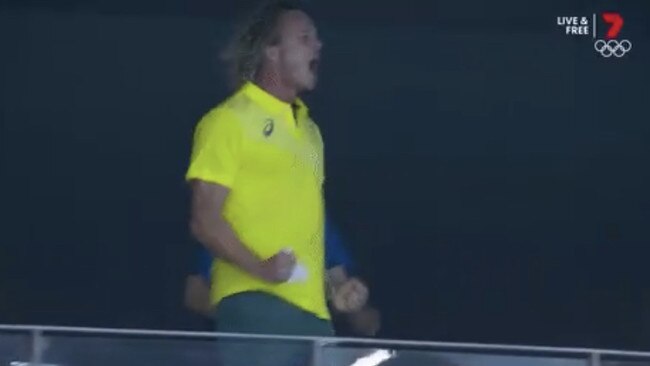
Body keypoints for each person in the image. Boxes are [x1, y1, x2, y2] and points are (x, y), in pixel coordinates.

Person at [185, 1, 366, 364]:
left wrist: (338, 287)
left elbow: (309, 230)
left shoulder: (311, 132)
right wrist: (261, 268)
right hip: (257, 307)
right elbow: (205, 220)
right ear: (271, 50)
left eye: (316, 39)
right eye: (304, 38)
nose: (318, 46)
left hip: (315, 317)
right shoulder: (229, 121)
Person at [184, 214, 381, 336]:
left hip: (308, 352)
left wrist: (352, 305)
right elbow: (194, 293)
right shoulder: (234, 219)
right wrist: (246, 316)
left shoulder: (316, 223)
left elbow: (340, 290)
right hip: (246, 352)